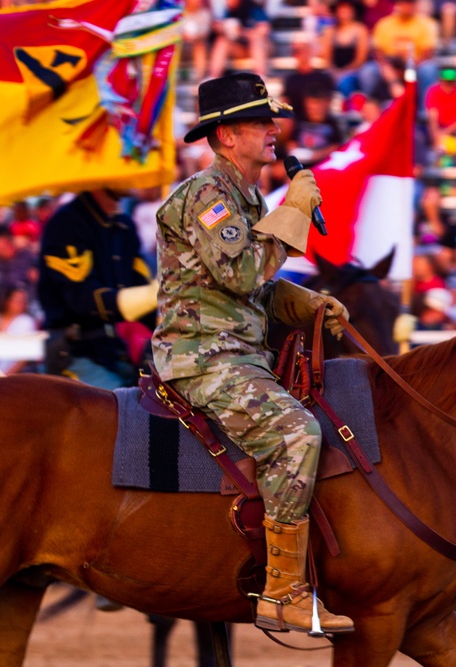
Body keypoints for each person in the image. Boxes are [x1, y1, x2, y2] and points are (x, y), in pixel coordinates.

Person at [152, 73, 354, 635]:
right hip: (201, 357)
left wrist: (311, 304)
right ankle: (283, 590)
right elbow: (241, 273)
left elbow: (260, 286)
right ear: (226, 136)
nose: (274, 130)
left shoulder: (246, 197)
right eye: (261, 121)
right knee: (297, 432)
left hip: (237, 354)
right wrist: (293, 213)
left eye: (272, 119)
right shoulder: (204, 197)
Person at [38, 190, 153, 388]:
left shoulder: (125, 225)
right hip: (79, 353)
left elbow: (139, 283)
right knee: (112, 413)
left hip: (121, 352)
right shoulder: (67, 222)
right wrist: (154, 294)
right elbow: (82, 299)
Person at [0, 283, 38, 374]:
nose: (21, 305)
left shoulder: (26, 322)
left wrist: (5, 377)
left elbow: (24, 357)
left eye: (23, 301)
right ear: (6, 300)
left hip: (7, 376)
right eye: (17, 300)